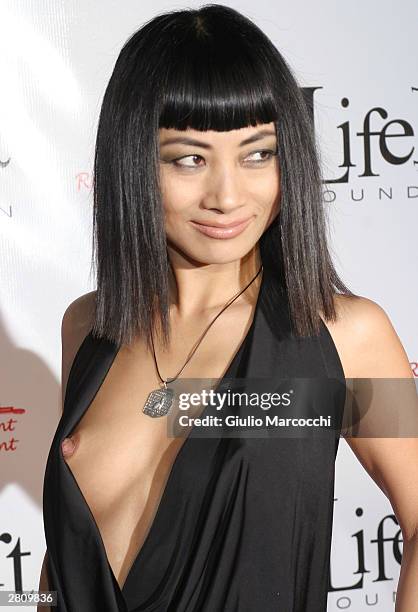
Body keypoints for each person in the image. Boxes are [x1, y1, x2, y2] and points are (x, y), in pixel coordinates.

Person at [39, 4, 418, 611]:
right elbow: (63, 562)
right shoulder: (89, 327)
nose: (228, 195)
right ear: (133, 162)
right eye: (189, 158)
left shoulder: (342, 336)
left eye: (257, 153)